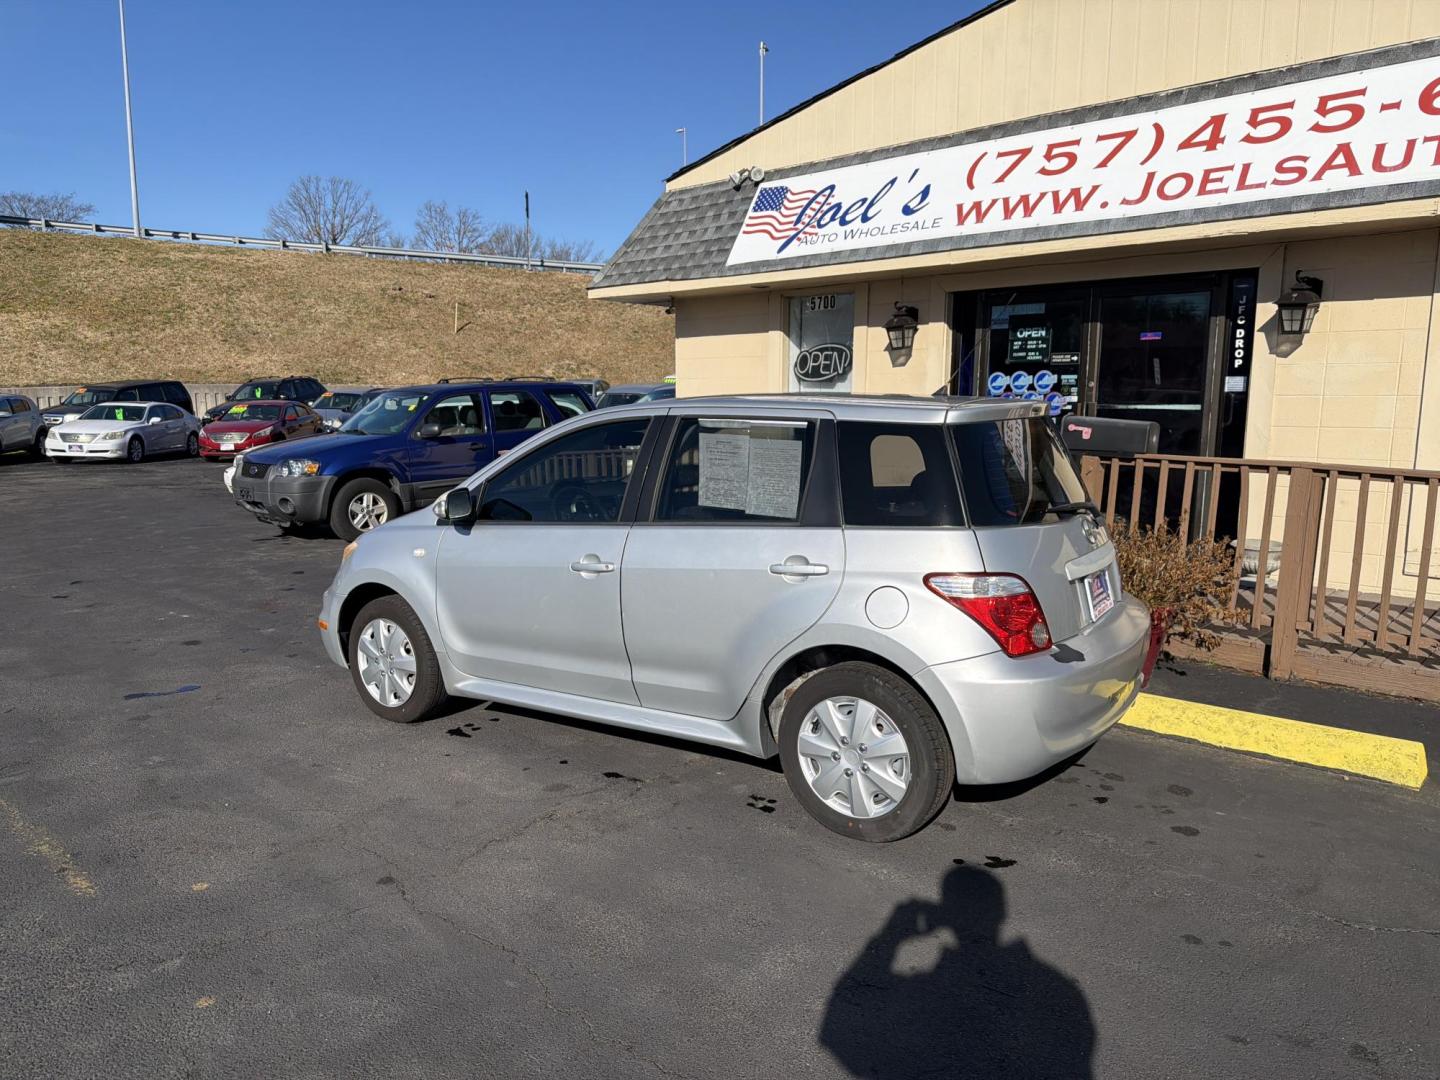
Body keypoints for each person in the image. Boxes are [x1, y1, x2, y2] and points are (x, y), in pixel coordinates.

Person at [821, 865, 1095, 1079]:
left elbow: (835, 1035)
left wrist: (890, 935)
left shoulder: (936, 992)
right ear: (1001, 913)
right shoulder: (1058, 989)